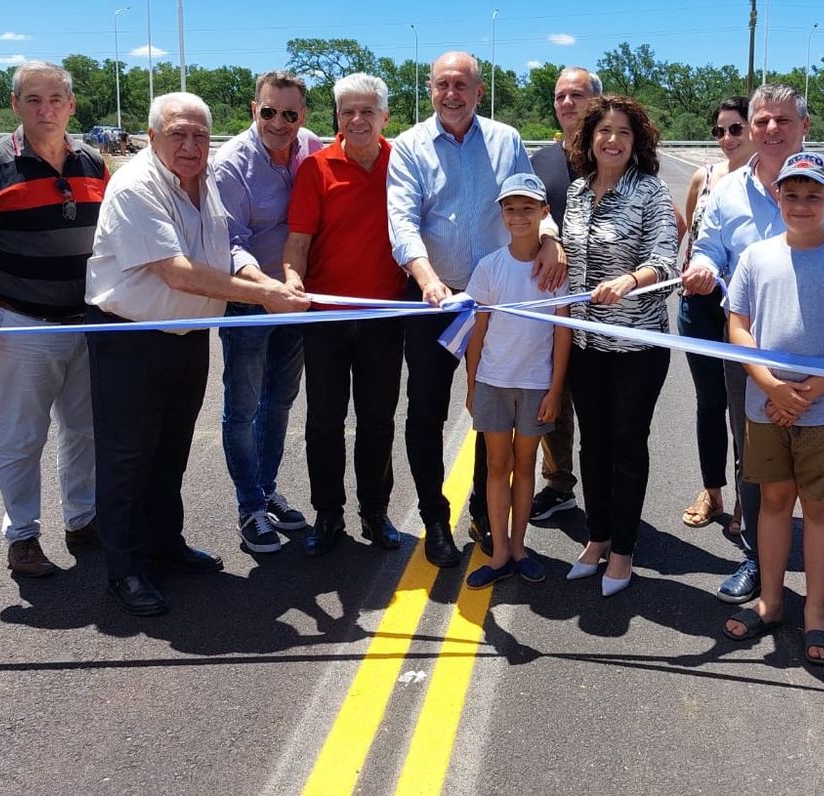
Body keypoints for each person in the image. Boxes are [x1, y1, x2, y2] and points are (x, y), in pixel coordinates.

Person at [85, 92, 310, 616]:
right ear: (153, 136)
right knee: (126, 457)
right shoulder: (136, 186)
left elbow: (223, 248)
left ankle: (164, 544)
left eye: (199, 135)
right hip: (131, 337)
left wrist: (257, 276)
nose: (190, 145)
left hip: (186, 333)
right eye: (177, 133)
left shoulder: (203, 180)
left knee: (171, 449)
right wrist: (266, 296)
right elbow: (177, 270)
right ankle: (125, 570)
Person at [681, 83, 824, 617]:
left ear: (804, 126)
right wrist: (701, 266)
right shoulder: (726, 190)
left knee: (819, 486)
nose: (770, 130)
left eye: (783, 121)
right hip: (754, 362)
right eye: (760, 121)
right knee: (754, 466)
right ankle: (756, 562)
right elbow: (709, 248)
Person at [387, 51, 564, 567]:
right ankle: (433, 517)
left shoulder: (505, 139)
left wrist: (551, 241)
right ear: (430, 88)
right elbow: (402, 220)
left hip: (497, 300)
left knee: (492, 411)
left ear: (479, 91)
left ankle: (485, 514)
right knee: (425, 410)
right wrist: (427, 280)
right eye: (442, 84)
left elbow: (528, 200)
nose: (451, 93)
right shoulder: (410, 145)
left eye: (461, 84)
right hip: (433, 300)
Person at [0, 60, 107, 577]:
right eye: (34, 100)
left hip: (85, 322)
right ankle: (22, 535)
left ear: (72, 105)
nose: (46, 109)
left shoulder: (93, 163)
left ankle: (82, 518)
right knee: (21, 437)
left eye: (56, 99)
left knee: (84, 430)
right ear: (15, 104)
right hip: (21, 322)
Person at [721, 152, 824, 664]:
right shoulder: (756, 257)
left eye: (814, 196)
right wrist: (771, 385)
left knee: (819, 507)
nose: (802, 204)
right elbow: (738, 327)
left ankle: (815, 612)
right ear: (777, 197)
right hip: (765, 403)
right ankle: (770, 601)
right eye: (792, 194)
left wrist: (804, 392)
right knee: (771, 502)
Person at [283, 73, 407, 556]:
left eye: (367, 111)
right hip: (326, 317)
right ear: (336, 117)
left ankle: (374, 511)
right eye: (347, 111)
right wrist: (292, 277)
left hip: (383, 316)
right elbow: (297, 242)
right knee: (324, 422)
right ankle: (328, 513)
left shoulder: (401, 163)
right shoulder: (316, 168)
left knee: (378, 419)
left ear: (384, 117)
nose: (357, 120)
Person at [563, 94, 678, 597]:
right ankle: (597, 537)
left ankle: (625, 551)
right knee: (592, 444)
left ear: (638, 142)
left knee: (627, 446)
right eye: (604, 131)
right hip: (585, 344)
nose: (612, 140)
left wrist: (631, 279)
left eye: (623, 133)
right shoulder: (575, 193)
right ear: (590, 137)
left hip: (636, 348)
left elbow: (668, 264)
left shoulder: (650, 192)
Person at [214, 71, 323, 554]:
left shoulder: (312, 148)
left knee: (278, 401)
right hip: (251, 301)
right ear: (253, 110)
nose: (279, 122)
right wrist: (267, 289)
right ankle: (249, 506)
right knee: (241, 408)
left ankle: (267, 487)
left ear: (303, 116)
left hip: (295, 300)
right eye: (269, 112)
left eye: (290, 114)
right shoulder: (231, 164)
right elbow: (232, 244)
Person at [463, 173, 573, 588]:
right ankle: (501, 550)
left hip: (535, 385)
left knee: (525, 464)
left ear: (544, 213)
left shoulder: (554, 271)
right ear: (501, 214)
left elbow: (563, 333)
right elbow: (478, 331)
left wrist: (555, 389)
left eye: (528, 208)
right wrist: (473, 386)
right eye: (510, 208)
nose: (518, 216)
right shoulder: (490, 267)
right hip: (494, 381)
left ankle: (521, 544)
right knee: (496, 464)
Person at [527, 66, 601, 523]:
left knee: (599, 404)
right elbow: (523, 216)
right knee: (553, 399)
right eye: (560, 96)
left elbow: (669, 224)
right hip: (550, 302)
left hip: (604, 308)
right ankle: (558, 485)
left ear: (596, 100)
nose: (567, 103)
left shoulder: (615, 156)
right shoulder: (538, 162)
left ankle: (606, 491)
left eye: (577, 95)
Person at [677, 96, 753, 530]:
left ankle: (749, 496)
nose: (727, 139)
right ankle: (713, 492)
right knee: (710, 401)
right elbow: (688, 233)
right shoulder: (702, 177)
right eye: (719, 131)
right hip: (699, 306)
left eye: (736, 129)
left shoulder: (770, 181)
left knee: (744, 407)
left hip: (745, 308)